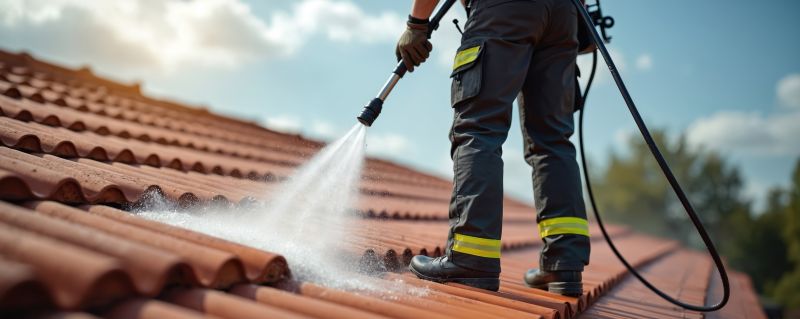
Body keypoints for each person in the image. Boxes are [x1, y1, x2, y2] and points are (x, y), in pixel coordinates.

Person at [397, 0, 591, 296]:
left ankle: (470, 258)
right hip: (565, 14)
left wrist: (416, 24)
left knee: (479, 128)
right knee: (554, 142)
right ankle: (564, 264)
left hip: (504, 10)